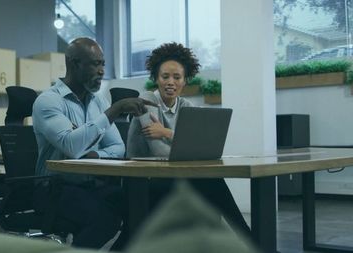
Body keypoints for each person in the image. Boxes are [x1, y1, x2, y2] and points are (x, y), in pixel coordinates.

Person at [32, 37, 156, 249]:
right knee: (105, 220)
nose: (101, 70)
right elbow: (71, 146)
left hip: (90, 185)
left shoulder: (98, 102)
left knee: (142, 209)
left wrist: (96, 155)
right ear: (73, 63)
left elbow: (118, 148)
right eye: (94, 63)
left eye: (103, 64)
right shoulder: (48, 101)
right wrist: (114, 111)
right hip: (53, 188)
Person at [127, 42, 251, 238]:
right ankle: (249, 241)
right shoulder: (147, 100)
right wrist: (184, 146)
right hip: (145, 182)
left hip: (173, 177)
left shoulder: (187, 106)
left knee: (212, 182)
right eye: (165, 76)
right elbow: (160, 151)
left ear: (185, 81)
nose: (170, 82)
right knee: (212, 184)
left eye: (177, 77)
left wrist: (167, 133)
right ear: (156, 78)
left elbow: (199, 147)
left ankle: (243, 241)